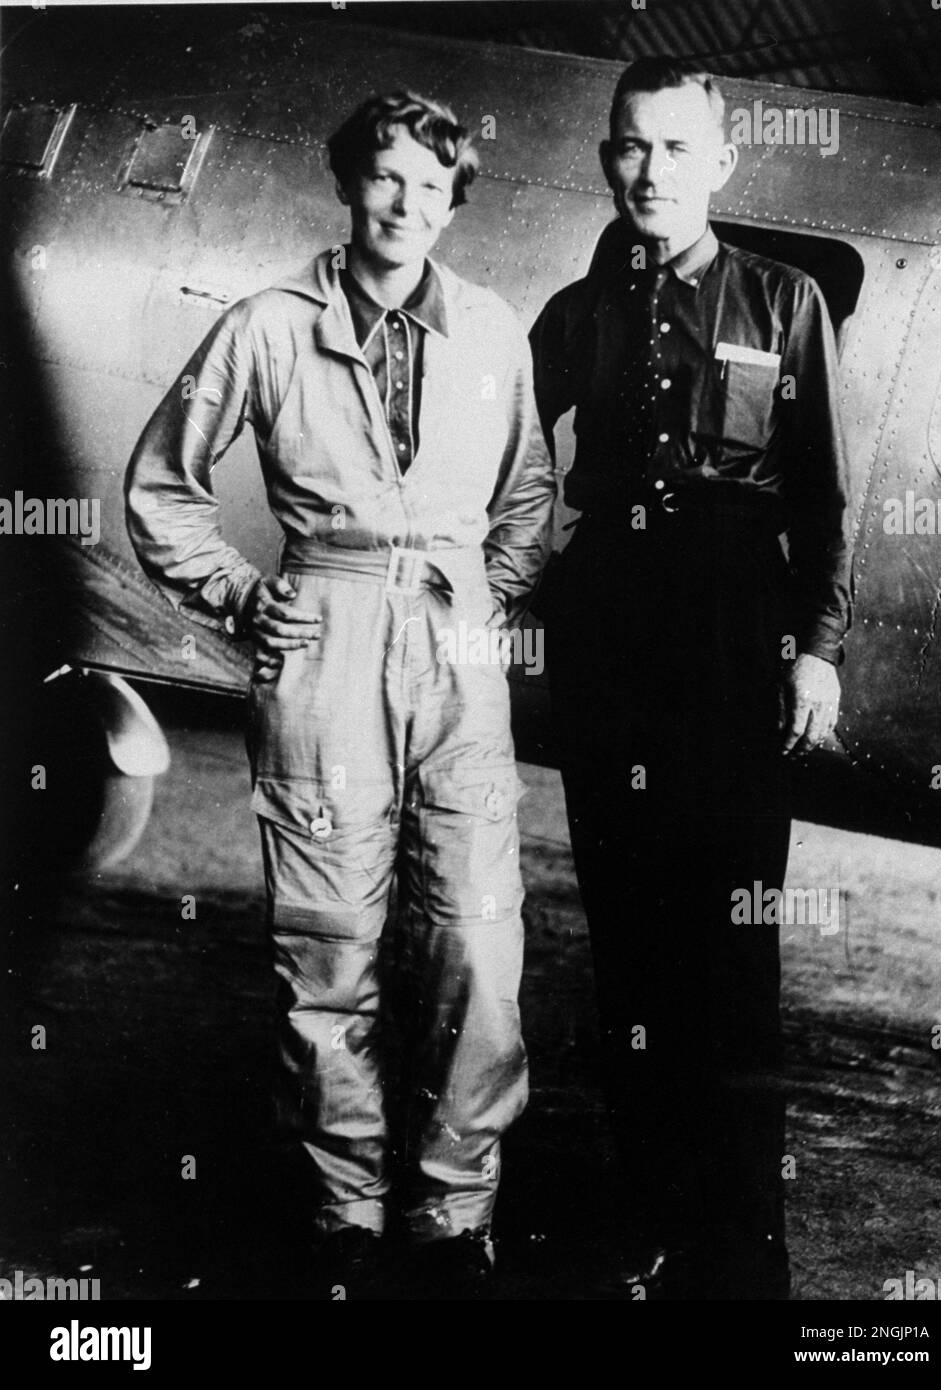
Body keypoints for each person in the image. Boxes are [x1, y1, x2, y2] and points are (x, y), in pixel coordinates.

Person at [125, 90, 555, 1299]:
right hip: (321, 639)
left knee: (477, 938)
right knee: (329, 944)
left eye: (430, 183)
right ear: (347, 184)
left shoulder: (491, 331)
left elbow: (527, 504)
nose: (405, 204)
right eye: (383, 178)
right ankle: (344, 1211)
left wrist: (476, 601)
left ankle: (455, 1207)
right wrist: (241, 591)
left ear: (454, 195)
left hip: (455, 653)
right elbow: (162, 487)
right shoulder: (267, 326)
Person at [530, 58, 852, 1300]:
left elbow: (820, 492)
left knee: (732, 928)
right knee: (626, 929)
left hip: (733, 624)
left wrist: (815, 648)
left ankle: (742, 1237)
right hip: (610, 618)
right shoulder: (573, 314)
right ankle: (647, 1212)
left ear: (722, 161)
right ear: (606, 158)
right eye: (628, 148)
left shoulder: (785, 303)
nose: (649, 172)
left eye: (674, 149)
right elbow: (509, 461)